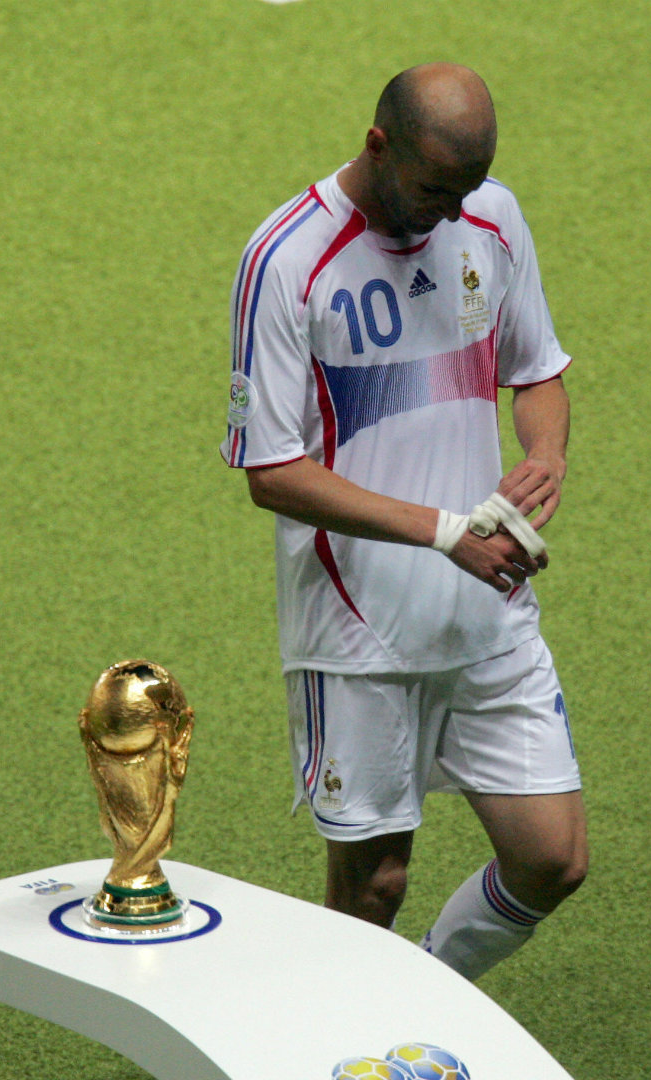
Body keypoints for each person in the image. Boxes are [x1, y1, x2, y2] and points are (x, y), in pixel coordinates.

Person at [222, 63, 587, 980]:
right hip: (359, 629)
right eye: (434, 189)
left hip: (484, 613)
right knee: (373, 887)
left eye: (466, 189)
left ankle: (425, 990)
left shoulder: (490, 218)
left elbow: (536, 368)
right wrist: (441, 533)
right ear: (379, 145)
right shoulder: (288, 260)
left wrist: (546, 455)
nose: (451, 214)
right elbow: (272, 471)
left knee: (552, 857)